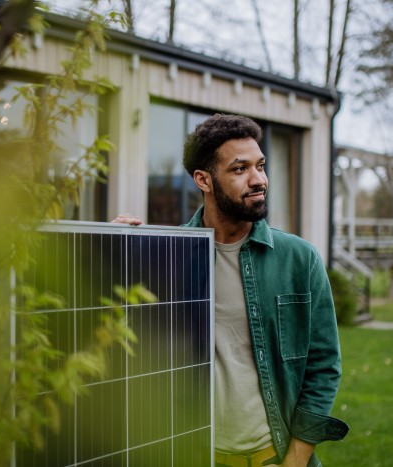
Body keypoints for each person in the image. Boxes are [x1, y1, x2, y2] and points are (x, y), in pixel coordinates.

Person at [114, 113, 348, 467]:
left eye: (261, 165)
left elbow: (324, 366)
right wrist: (109, 249)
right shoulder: (166, 258)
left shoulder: (299, 260)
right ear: (203, 180)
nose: (258, 180)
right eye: (240, 169)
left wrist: (295, 461)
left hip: (274, 458)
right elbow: (126, 348)